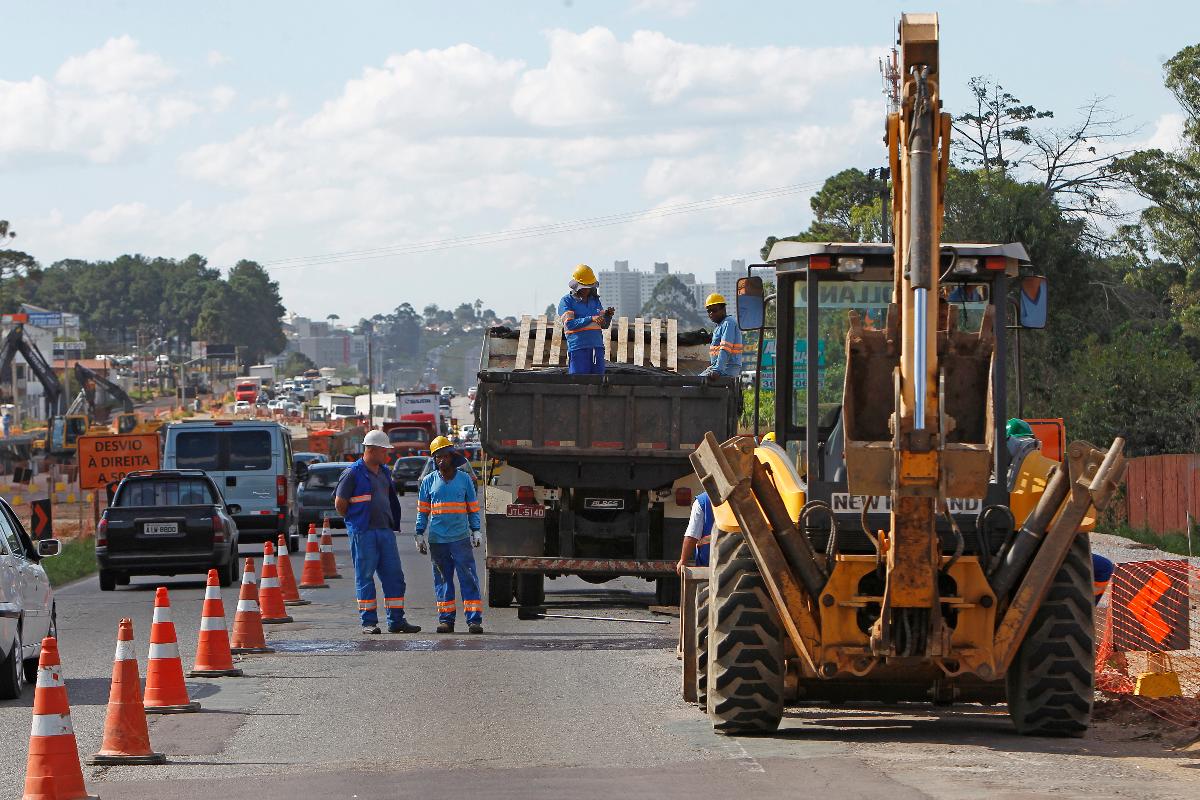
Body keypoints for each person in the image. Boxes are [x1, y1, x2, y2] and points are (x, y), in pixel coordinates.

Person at [1005, 417, 1114, 603]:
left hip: (1019, 551)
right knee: (1102, 567)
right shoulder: (1039, 474)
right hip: (1036, 552)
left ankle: (1086, 607)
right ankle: (1087, 606)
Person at [334, 429, 422, 635]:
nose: (388, 455)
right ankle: (369, 622)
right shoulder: (352, 473)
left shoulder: (384, 472)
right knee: (365, 577)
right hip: (363, 531)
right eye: (384, 451)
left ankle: (397, 621)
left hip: (384, 531)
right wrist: (354, 521)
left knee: (394, 577)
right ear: (372, 450)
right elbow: (340, 504)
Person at [415, 436, 484, 634]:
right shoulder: (429, 482)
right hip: (438, 540)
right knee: (443, 580)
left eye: (444, 456)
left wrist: (476, 530)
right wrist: (419, 534)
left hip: (460, 538)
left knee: (468, 578)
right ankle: (446, 620)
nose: (441, 460)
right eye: (437, 457)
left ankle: (474, 620)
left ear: (452, 457)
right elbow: (423, 511)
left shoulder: (464, 480)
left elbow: (472, 508)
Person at [558, 264, 613, 375]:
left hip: (597, 347)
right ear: (576, 286)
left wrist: (608, 316)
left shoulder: (595, 301)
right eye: (584, 287)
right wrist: (590, 318)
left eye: (589, 287)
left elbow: (604, 325)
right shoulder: (566, 301)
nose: (586, 290)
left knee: (598, 383)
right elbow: (570, 324)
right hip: (578, 348)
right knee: (579, 383)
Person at [700, 293, 743, 377]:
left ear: (723, 309)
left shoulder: (728, 323)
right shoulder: (720, 325)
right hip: (720, 368)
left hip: (727, 369)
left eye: (714, 310)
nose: (711, 313)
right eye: (709, 311)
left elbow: (725, 348)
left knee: (692, 385)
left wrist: (717, 370)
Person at [676, 491, 714, 576]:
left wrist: (683, 560)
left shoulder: (703, 500)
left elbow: (692, 534)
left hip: (709, 566)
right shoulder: (745, 497)